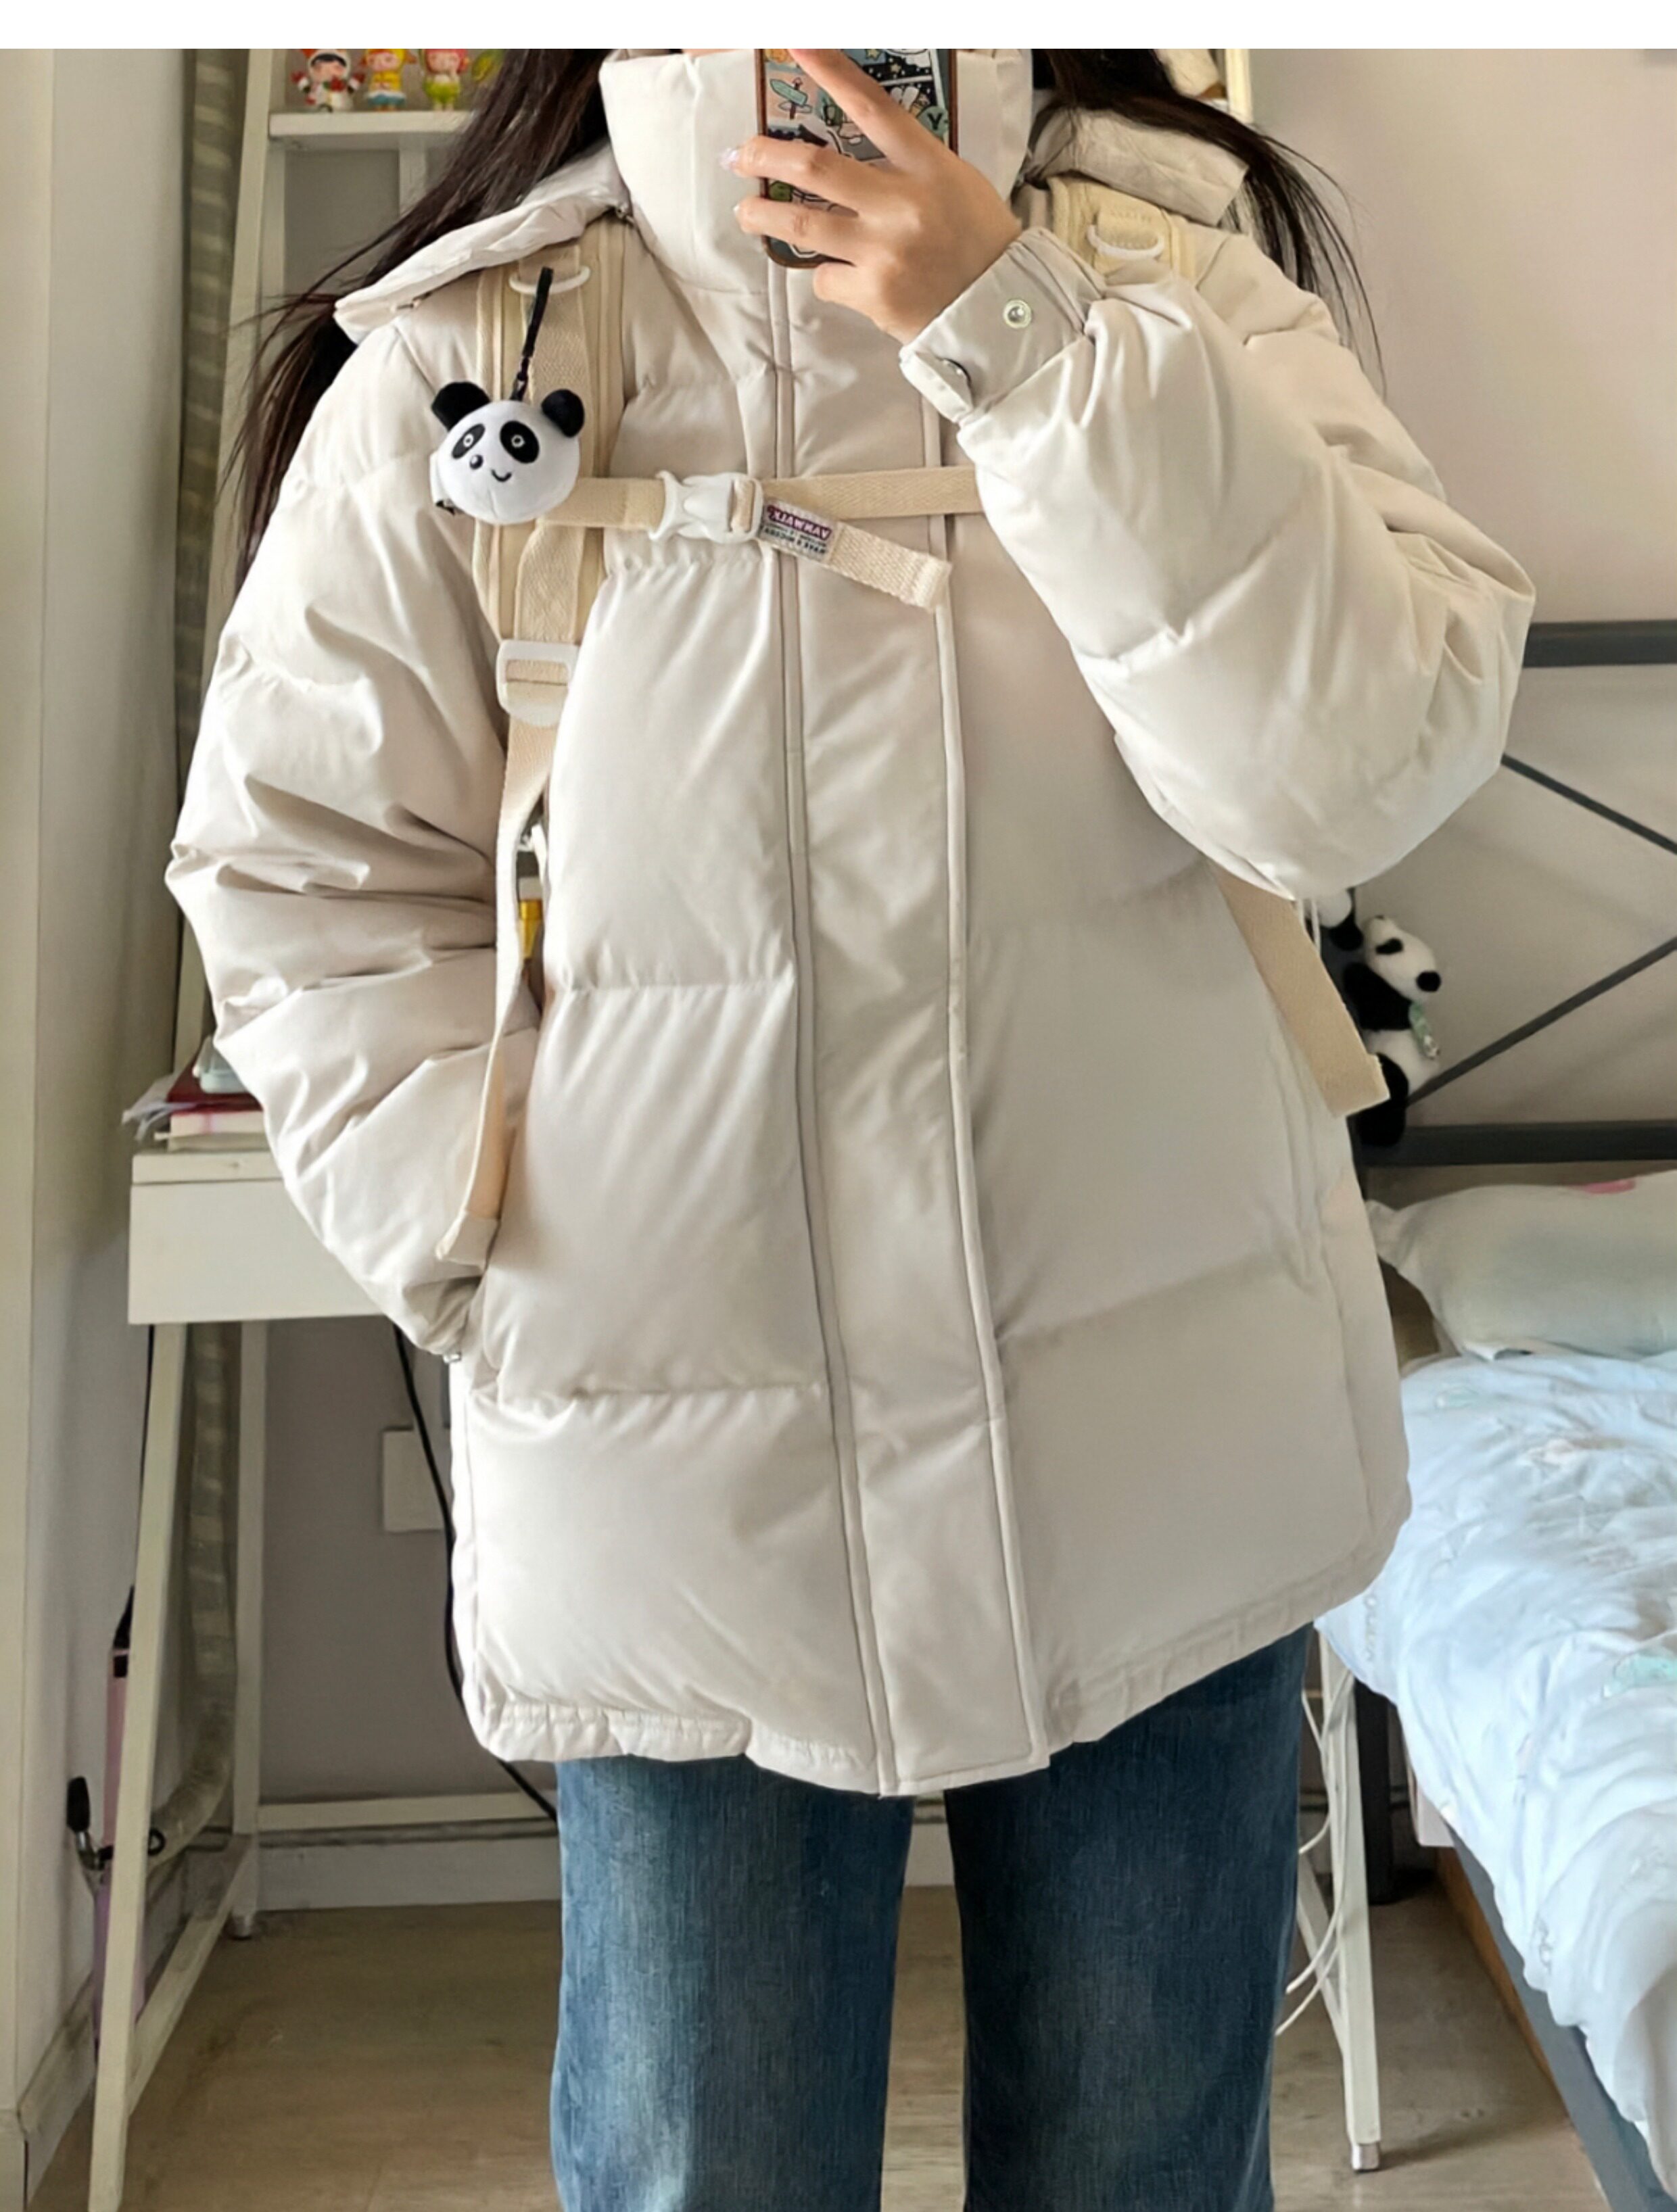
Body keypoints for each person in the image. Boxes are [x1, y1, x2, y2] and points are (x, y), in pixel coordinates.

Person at [168, 48, 1534, 2211]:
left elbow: (1357, 775)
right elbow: (303, 865)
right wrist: (477, 1224)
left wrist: (1026, 336)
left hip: (1161, 1452)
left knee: (1141, 2174)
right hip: (678, 1481)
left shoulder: (1172, 279)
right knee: (707, 2171)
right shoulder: (480, 345)